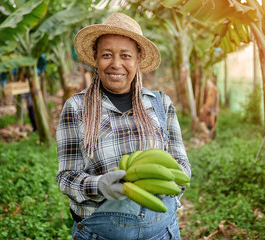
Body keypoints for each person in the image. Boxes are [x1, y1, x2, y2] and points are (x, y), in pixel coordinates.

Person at [56, 12, 191, 240]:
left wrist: (158, 180)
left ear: (138, 60)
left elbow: (183, 167)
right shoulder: (76, 107)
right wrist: (100, 185)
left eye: (126, 55)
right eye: (106, 55)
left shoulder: (160, 104)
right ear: (96, 59)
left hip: (163, 233)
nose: (116, 64)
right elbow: (66, 177)